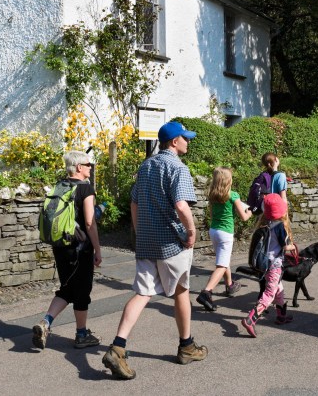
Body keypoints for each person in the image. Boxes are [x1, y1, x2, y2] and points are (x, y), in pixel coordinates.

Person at [102, 121, 207, 380]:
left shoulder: (146, 165)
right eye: (185, 138)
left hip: (147, 243)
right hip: (172, 243)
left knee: (142, 293)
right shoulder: (178, 168)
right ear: (174, 142)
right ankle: (187, 347)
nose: (188, 142)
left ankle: (118, 347)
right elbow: (182, 206)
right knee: (181, 291)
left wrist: (139, 231)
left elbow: (134, 202)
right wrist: (191, 232)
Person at [32, 150, 103, 351]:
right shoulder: (85, 189)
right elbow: (90, 223)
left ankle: (45, 323)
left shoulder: (60, 186)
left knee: (67, 287)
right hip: (80, 248)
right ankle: (82, 334)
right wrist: (97, 249)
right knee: (81, 291)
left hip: (60, 245)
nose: (91, 167)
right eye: (88, 165)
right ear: (79, 167)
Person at [195, 167, 252, 311]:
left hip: (214, 230)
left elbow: (212, 214)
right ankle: (206, 292)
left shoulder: (212, 195)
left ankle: (230, 285)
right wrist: (251, 210)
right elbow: (244, 217)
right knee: (221, 265)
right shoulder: (233, 195)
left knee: (223, 260)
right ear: (228, 180)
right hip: (226, 233)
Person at [241, 193, 297, 337]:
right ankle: (251, 319)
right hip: (274, 265)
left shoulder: (265, 224)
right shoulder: (280, 227)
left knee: (279, 289)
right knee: (270, 293)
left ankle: (281, 316)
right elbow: (286, 247)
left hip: (265, 264)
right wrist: (293, 247)